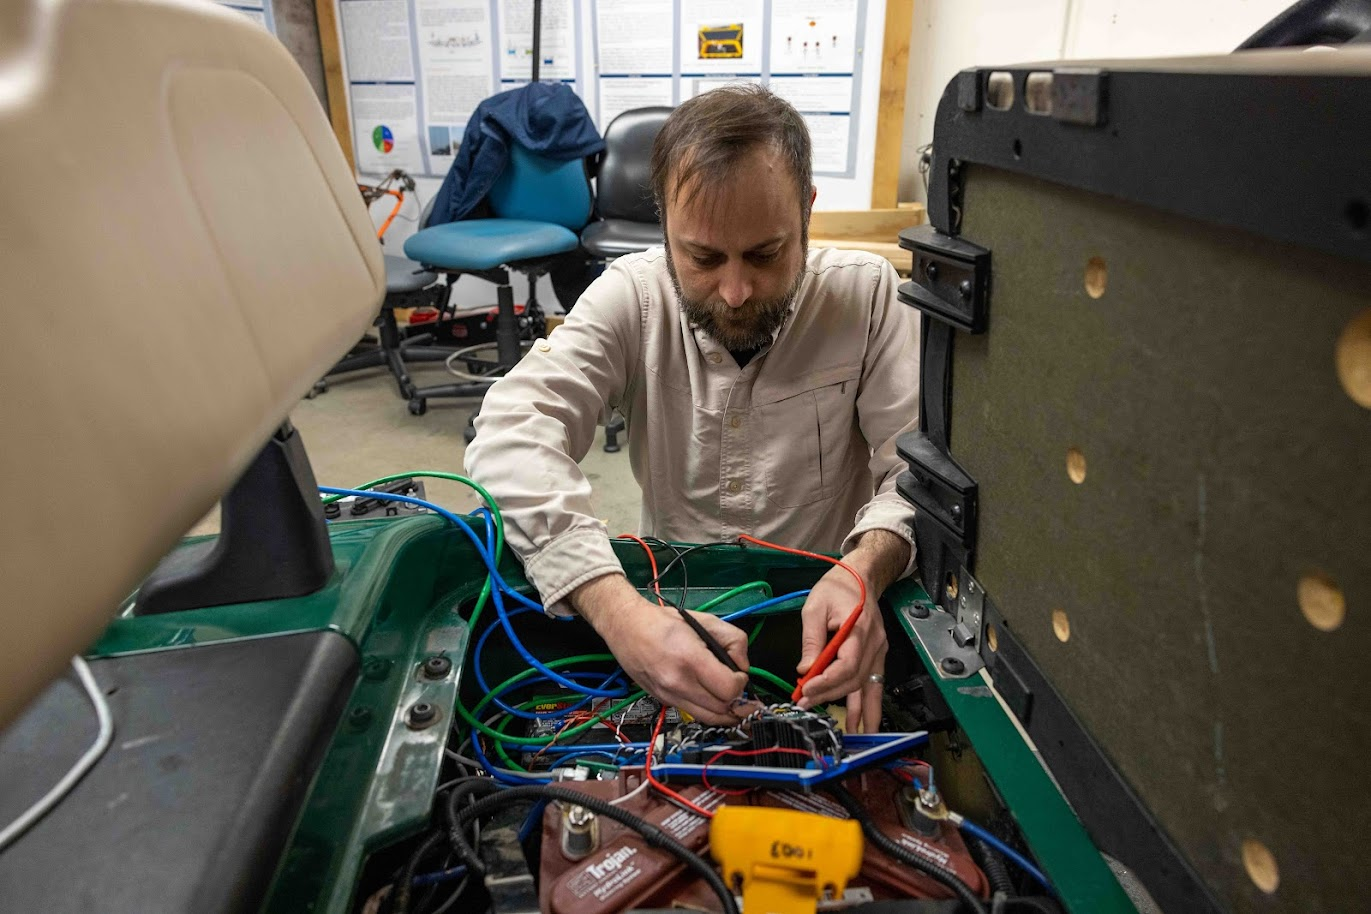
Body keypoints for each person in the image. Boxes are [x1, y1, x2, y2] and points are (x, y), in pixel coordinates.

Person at [464, 85, 920, 733]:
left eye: (765, 254)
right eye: (702, 257)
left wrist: (866, 569)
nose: (734, 292)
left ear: (808, 213)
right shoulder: (632, 296)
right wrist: (616, 610)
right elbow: (511, 434)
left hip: (826, 613)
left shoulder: (869, 297)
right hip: (671, 610)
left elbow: (916, 473)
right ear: (664, 227)